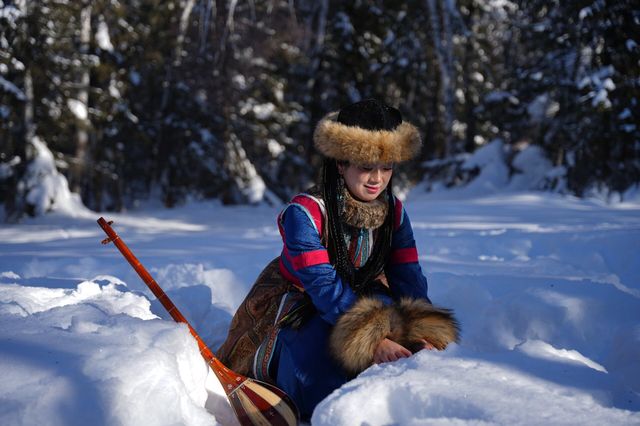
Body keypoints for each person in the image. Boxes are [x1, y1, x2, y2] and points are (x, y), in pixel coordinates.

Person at [216, 99, 459, 420]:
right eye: (365, 167)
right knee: (317, 378)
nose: (377, 179)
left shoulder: (394, 211)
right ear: (341, 164)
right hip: (302, 302)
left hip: (365, 294)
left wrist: (421, 330)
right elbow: (321, 283)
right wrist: (372, 339)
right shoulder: (305, 212)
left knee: (409, 358)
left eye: (386, 168)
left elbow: (407, 272)